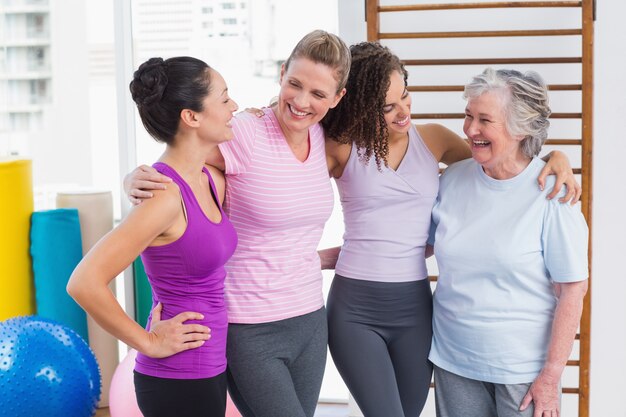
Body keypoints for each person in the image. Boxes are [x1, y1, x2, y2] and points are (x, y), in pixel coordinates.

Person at [317, 42, 580, 417]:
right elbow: (283, 181)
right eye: (386, 107)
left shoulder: (439, 142)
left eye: (405, 96)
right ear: (360, 107)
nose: (402, 111)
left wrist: (557, 157)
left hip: (428, 318)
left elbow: (504, 164)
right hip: (389, 325)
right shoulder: (347, 149)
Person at [124, 30, 351, 417]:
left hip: (311, 319)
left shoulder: (324, 138)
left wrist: (333, 257)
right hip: (249, 324)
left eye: (317, 94)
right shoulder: (244, 132)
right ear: (282, 74)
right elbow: (179, 156)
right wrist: (133, 178)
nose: (300, 102)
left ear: (337, 98)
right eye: (294, 84)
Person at [67, 56, 239, 417]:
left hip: (208, 368)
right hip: (177, 377)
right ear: (191, 117)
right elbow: (84, 282)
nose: (233, 106)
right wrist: (148, 342)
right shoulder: (164, 196)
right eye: (224, 99)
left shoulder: (207, 178)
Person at [427, 68, 588, 417]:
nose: (470, 129)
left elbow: (573, 288)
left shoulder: (551, 194)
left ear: (520, 129)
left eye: (485, 120)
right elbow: (415, 245)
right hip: (454, 362)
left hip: (524, 372)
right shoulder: (451, 180)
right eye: (468, 116)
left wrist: (551, 375)